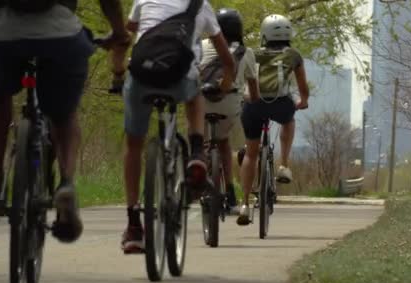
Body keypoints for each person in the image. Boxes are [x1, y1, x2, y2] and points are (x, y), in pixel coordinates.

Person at [0, 0, 130, 243]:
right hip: (61, 36)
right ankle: (66, 182)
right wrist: (118, 31)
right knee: (64, 114)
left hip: (1, 35)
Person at [116, 0, 235, 254]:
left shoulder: (143, 0)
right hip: (180, 79)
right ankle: (196, 153)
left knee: (133, 144)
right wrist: (225, 85)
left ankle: (134, 225)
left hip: (142, 77)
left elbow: (126, 34)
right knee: (195, 98)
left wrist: (117, 71)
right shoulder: (201, 5)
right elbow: (227, 59)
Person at [237, 14, 309, 226]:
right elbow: (303, 88)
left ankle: (245, 204)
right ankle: (283, 165)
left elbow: (241, 81)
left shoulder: (251, 54)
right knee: (289, 120)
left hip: (253, 104)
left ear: (264, 34)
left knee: (251, 153)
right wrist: (302, 101)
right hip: (280, 104)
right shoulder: (293, 55)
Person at [199, 8, 260, 215]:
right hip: (230, 105)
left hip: (202, 102)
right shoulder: (247, 53)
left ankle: (200, 177)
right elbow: (254, 92)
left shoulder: (202, 45)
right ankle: (230, 195)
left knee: (202, 140)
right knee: (224, 142)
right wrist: (247, 98)